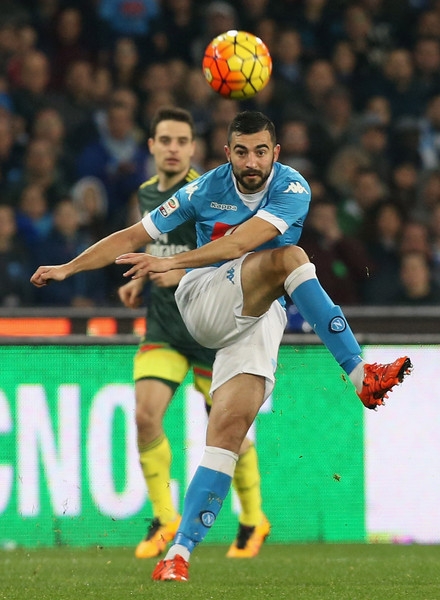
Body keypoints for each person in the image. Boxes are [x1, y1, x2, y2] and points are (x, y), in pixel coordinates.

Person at [31, 110, 412, 583]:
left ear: (275, 153)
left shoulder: (293, 187)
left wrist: (171, 262)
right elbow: (133, 236)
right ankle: (361, 375)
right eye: (241, 152)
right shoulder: (202, 190)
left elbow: (241, 244)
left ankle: (178, 554)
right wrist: (69, 267)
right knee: (292, 257)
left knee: (227, 433)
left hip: (258, 314)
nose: (251, 162)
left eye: (260, 152)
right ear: (227, 152)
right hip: (205, 298)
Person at [117, 106, 269, 559]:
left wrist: (178, 272)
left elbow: (232, 256)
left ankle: (253, 519)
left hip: (208, 331)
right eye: (165, 140)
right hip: (164, 327)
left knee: (229, 432)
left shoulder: (210, 193)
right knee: (145, 416)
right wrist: (141, 281)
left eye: (182, 141)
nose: (173, 149)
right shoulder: (146, 194)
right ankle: (165, 519)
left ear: (194, 148)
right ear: (151, 146)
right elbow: (154, 246)